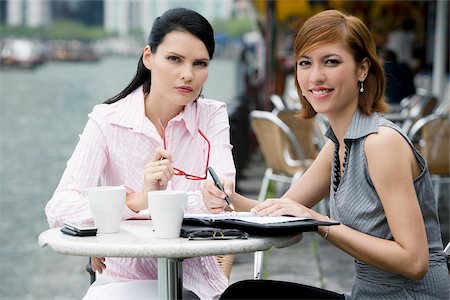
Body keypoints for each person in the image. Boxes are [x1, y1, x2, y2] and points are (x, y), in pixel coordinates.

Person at [202, 9, 449, 299]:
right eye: (305, 63)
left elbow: (414, 262)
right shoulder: (338, 144)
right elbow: (280, 210)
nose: (315, 76)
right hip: (365, 294)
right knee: (244, 294)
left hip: (412, 297)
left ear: (362, 69)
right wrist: (227, 199)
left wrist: (320, 224)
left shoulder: (381, 143)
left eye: (331, 62)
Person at [45, 8, 236, 300]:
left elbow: (220, 196)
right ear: (149, 57)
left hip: (196, 285)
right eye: (174, 59)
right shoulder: (107, 120)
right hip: (122, 284)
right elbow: (59, 209)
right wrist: (138, 200)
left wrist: (216, 197)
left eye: (200, 63)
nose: (188, 74)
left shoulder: (212, 116)